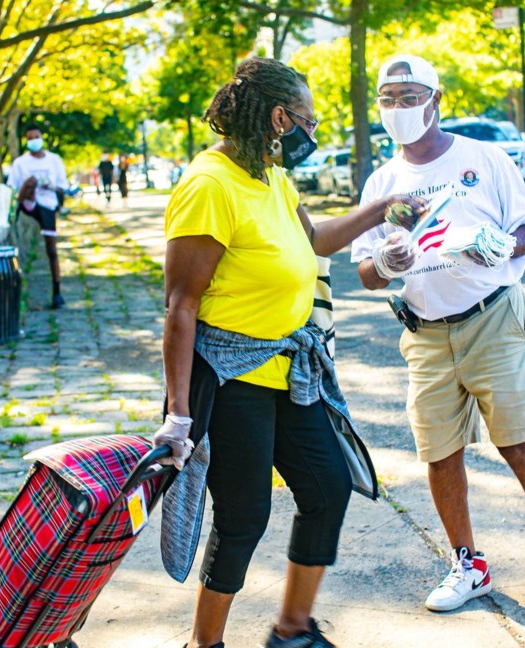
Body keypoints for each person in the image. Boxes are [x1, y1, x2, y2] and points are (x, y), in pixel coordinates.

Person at [155, 56, 423, 648]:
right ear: (278, 117)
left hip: (289, 369)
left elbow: (313, 240)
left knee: (327, 488)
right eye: (307, 121)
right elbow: (180, 306)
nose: (313, 134)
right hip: (231, 378)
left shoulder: (271, 174)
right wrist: (178, 415)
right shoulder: (209, 185)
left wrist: (381, 212)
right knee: (244, 517)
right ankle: (204, 644)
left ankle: (292, 629)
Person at [351, 55, 525, 612]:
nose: (399, 108)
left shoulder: (483, 158)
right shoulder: (382, 183)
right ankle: (466, 563)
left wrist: (504, 245)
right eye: (389, 98)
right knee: (439, 452)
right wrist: (386, 260)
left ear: (436, 99)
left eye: (410, 96)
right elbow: (364, 273)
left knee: (516, 440)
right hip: (425, 334)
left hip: (493, 317)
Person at [7, 124, 69, 309]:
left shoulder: (54, 160)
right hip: (28, 206)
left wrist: (50, 186)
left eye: (36, 136)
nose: (34, 140)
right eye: (30, 138)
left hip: (48, 205)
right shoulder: (20, 163)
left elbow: (63, 186)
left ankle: (57, 290)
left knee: (52, 250)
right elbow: (13, 188)